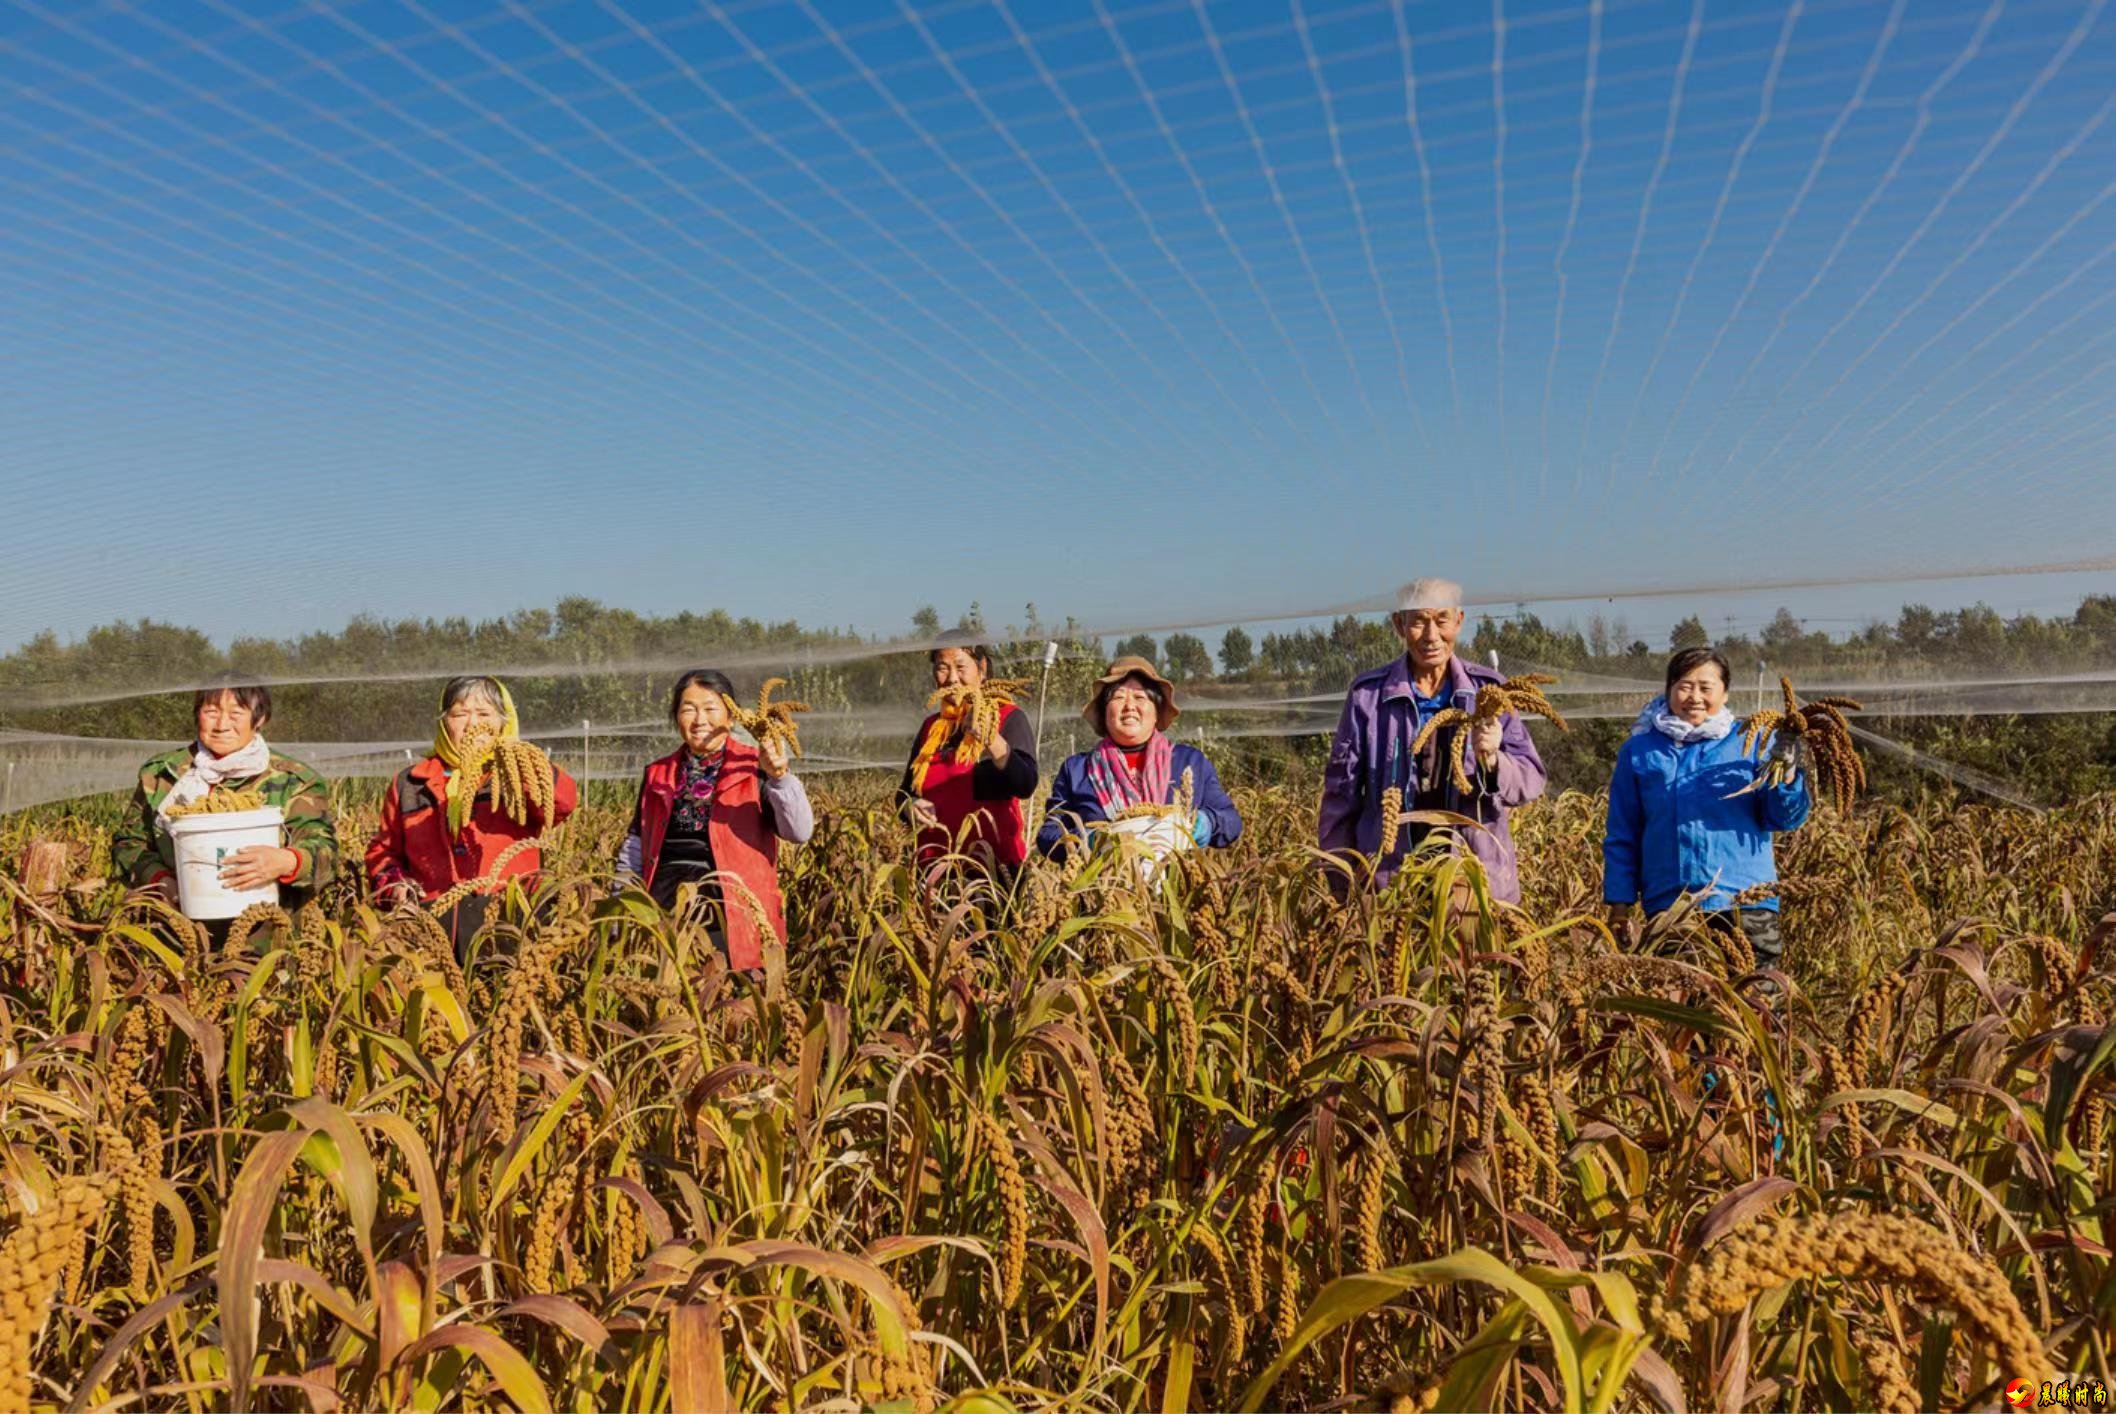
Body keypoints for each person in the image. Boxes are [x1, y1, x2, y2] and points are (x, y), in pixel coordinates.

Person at [1317, 578, 1546, 900]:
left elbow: (1530, 780)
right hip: (1391, 882)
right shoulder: (1368, 696)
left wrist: (1494, 759)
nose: (1431, 636)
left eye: (1441, 620)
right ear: (1399, 624)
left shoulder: (1490, 693)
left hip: (1474, 883)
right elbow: (1340, 796)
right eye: (1419, 622)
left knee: (1469, 951)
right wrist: (1340, 880)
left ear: (1459, 621)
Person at [1602, 646, 1811, 970]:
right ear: (1669, 689)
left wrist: (1788, 774)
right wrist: (1619, 904)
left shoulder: (1753, 741)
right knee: (1681, 1009)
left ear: (1724, 693)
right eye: (1684, 685)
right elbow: (1622, 833)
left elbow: (1783, 817)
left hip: (1746, 902)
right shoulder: (1640, 751)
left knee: (1757, 1005)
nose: (1694, 696)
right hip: (1672, 906)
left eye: (1705, 687)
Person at [615, 669, 813, 970]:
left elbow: (799, 831)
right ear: (676, 717)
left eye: (710, 709)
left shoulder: (754, 766)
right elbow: (636, 843)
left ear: (731, 717)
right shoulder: (657, 773)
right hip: (666, 914)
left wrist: (779, 777)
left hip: (735, 917)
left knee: (736, 1007)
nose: (699, 719)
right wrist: (621, 904)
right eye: (688, 709)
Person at [365, 676, 577, 947]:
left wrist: (522, 763)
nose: (473, 724)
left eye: (484, 713)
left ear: (504, 722)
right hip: (430, 927)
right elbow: (383, 852)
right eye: (460, 714)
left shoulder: (515, 776)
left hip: (509, 923)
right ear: (444, 723)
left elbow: (562, 803)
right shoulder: (410, 783)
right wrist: (395, 886)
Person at [111, 679, 339, 911]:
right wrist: (158, 879)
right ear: (196, 715)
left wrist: (287, 862)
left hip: (266, 931)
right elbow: (129, 843)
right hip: (173, 929)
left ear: (259, 719)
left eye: (236, 713)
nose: (221, 725)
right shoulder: (161, 774)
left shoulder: (294, 781)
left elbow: (326, 855)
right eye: (211, 711)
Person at [1035, 655, 1241, 857]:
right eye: (1118, 697)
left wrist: (1206, 823)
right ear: (1104, 712)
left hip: (1176, 886)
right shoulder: (1077, 769)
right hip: (1105, 887)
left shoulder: (1189, 762)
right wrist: (1090, 840)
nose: (1129, 706)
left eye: (1140, 697)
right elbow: (1048, 835)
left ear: (1157, 711)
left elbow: (1231, 821)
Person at [897, 635, 1038, 873]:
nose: (952, 678)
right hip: (933, 874)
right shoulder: (931, 729)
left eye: (961, 667)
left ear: (982, 670)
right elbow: (903, 793)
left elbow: (1025, 783)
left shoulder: (1007, 718)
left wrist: (991, 738)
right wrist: (911, 807)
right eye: (942, 668)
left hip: (993, 875)